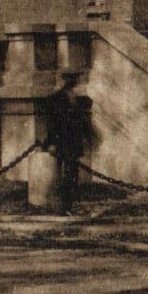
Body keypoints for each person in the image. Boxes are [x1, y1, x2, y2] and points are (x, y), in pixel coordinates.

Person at [44, 74, 92, 212]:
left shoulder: (76, 99)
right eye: (68, 79)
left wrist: (85, 137)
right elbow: (52, 124)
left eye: (73, 79)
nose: (71, 82)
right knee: (62, 175)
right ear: (63, 81)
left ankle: (68, 206)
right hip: (61, 142)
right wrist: (52, 143)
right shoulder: (55, 99)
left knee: (72, 175)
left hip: (73, 142)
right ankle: (60, 206)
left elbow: (81, 122)